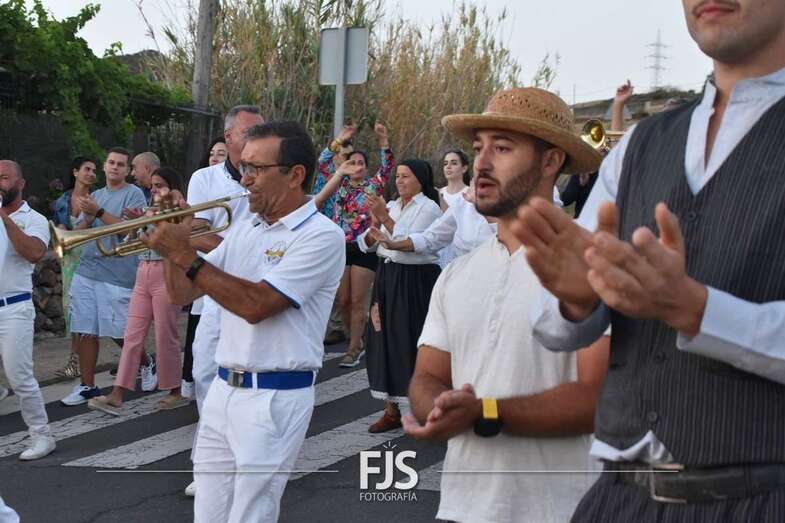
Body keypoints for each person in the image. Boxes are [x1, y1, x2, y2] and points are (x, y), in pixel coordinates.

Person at [518, 1, 785, 520]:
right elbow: (552, 324)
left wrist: (697, 310)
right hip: (620, 499)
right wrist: (577, 297)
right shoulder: (639, 145)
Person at [400, 88, 606, 523]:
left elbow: (597, 397)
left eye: (503, 148)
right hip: (459, 508)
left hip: (560, 511)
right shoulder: (456, 275)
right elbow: (427, 376)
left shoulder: (593, 265)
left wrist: (487, 413)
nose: (481, 164)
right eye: (478, 148)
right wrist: (438, 407)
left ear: (551, 161)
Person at [141, 120, 345, 522]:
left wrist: (183, 254)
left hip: (273, 398)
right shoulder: (245, 228)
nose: (244, 178)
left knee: (250, 516)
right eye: (243, 167)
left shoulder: (321, 236)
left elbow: (257, 305)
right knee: (208, 515)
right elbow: (183, 294)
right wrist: (171, 246)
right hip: (223, 390)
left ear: (295, 175)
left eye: (255, 169)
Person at [182, 104, 264, 497]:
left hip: (255, 286)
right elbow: (195, 234)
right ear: (228, 136)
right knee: (204, 372)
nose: (255, 139)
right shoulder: (204, 178)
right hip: (214, 287)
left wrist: (233, 248)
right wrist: (235, 250)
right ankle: (208, 462)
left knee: (250, 376)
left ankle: (243, 458)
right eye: (249, 132)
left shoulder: (267, 174)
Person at [87, 167, 189, 415]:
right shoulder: (149, 210)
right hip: (143, 273)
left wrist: (152, 219)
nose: (153, 190)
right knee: (131, 335)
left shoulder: (182, 209)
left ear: (173, 187)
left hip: (166, 272)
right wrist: (135, 226)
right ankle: (117, 393)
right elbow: (131, 243)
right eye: (152, 186)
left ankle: (175, 390)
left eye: (159, 185)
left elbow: (177, 239)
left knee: (166, 335)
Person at [358, 159, 442, 432]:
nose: (400, 181)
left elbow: (412, 242)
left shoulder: (428, 208)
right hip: (386, 275)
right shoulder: (393, 205)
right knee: (381, 336)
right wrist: (374, 226)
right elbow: (368, 245)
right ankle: (391, 409)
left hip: (413, 279)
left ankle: (423, 406)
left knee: (409, 339)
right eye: (398, 176)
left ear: (420, 178)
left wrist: (384, 219)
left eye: (405, 176)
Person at [60, 147, 148, 406]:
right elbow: (80, 232)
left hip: (117, 272)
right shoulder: (95, 195)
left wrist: (98, 212)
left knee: (119, 331)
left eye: (121, 164)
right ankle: (87, 386)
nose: (115, 167)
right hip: (87, 269)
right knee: (85, 330)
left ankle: (147, 362)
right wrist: (87, 219)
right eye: (111, 163)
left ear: (127, 169)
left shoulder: (134, 194)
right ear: (104, 166)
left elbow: (128, 232)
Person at [313, 122, 395, 368]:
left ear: (366, 168)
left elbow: (387, 167)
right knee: (343, 300)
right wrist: (338, 141)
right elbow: (323, 163)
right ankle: (357, 339)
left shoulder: (372, 186)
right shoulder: (339, 184)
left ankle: (352, 349)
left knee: (358, 300)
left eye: (361, 163)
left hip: (363, 247)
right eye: (352, 162)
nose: (357, 166)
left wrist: (383, 140)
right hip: (340, 246)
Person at [0, 159, 56, 460]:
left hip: (13, 309)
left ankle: (42, 435)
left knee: (19, 377)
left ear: (20, 184)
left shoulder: (34, 219)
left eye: (4, 178)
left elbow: (34, 252)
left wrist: (3, 217)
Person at [311, 123, 359, 346]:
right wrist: (337, 141)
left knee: (341, 289)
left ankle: (341, 327)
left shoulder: (355, 182)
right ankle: (328, 326)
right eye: (344, 156)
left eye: (352, 157)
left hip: (345, 240)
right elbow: (322, 159)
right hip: (319, 235)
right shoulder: (326, 174)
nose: (349, 160)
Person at [376, 175, 496, 262]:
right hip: (464, 276)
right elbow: (431, 238)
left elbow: (503, 242)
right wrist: (393, 244)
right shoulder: (462, 203)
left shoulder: (507, 204)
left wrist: (482, 205)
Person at [52, 156, 97, 379]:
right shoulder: (62, 200)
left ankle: (76, 363)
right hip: (70, 259)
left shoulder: (96, 199)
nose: (91, 174)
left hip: (90, 258)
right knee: (72, 309)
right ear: (75, 172)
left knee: (86, 310)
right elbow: (59, 230)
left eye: (94, 171)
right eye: (87, 169)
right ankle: (74, 362)